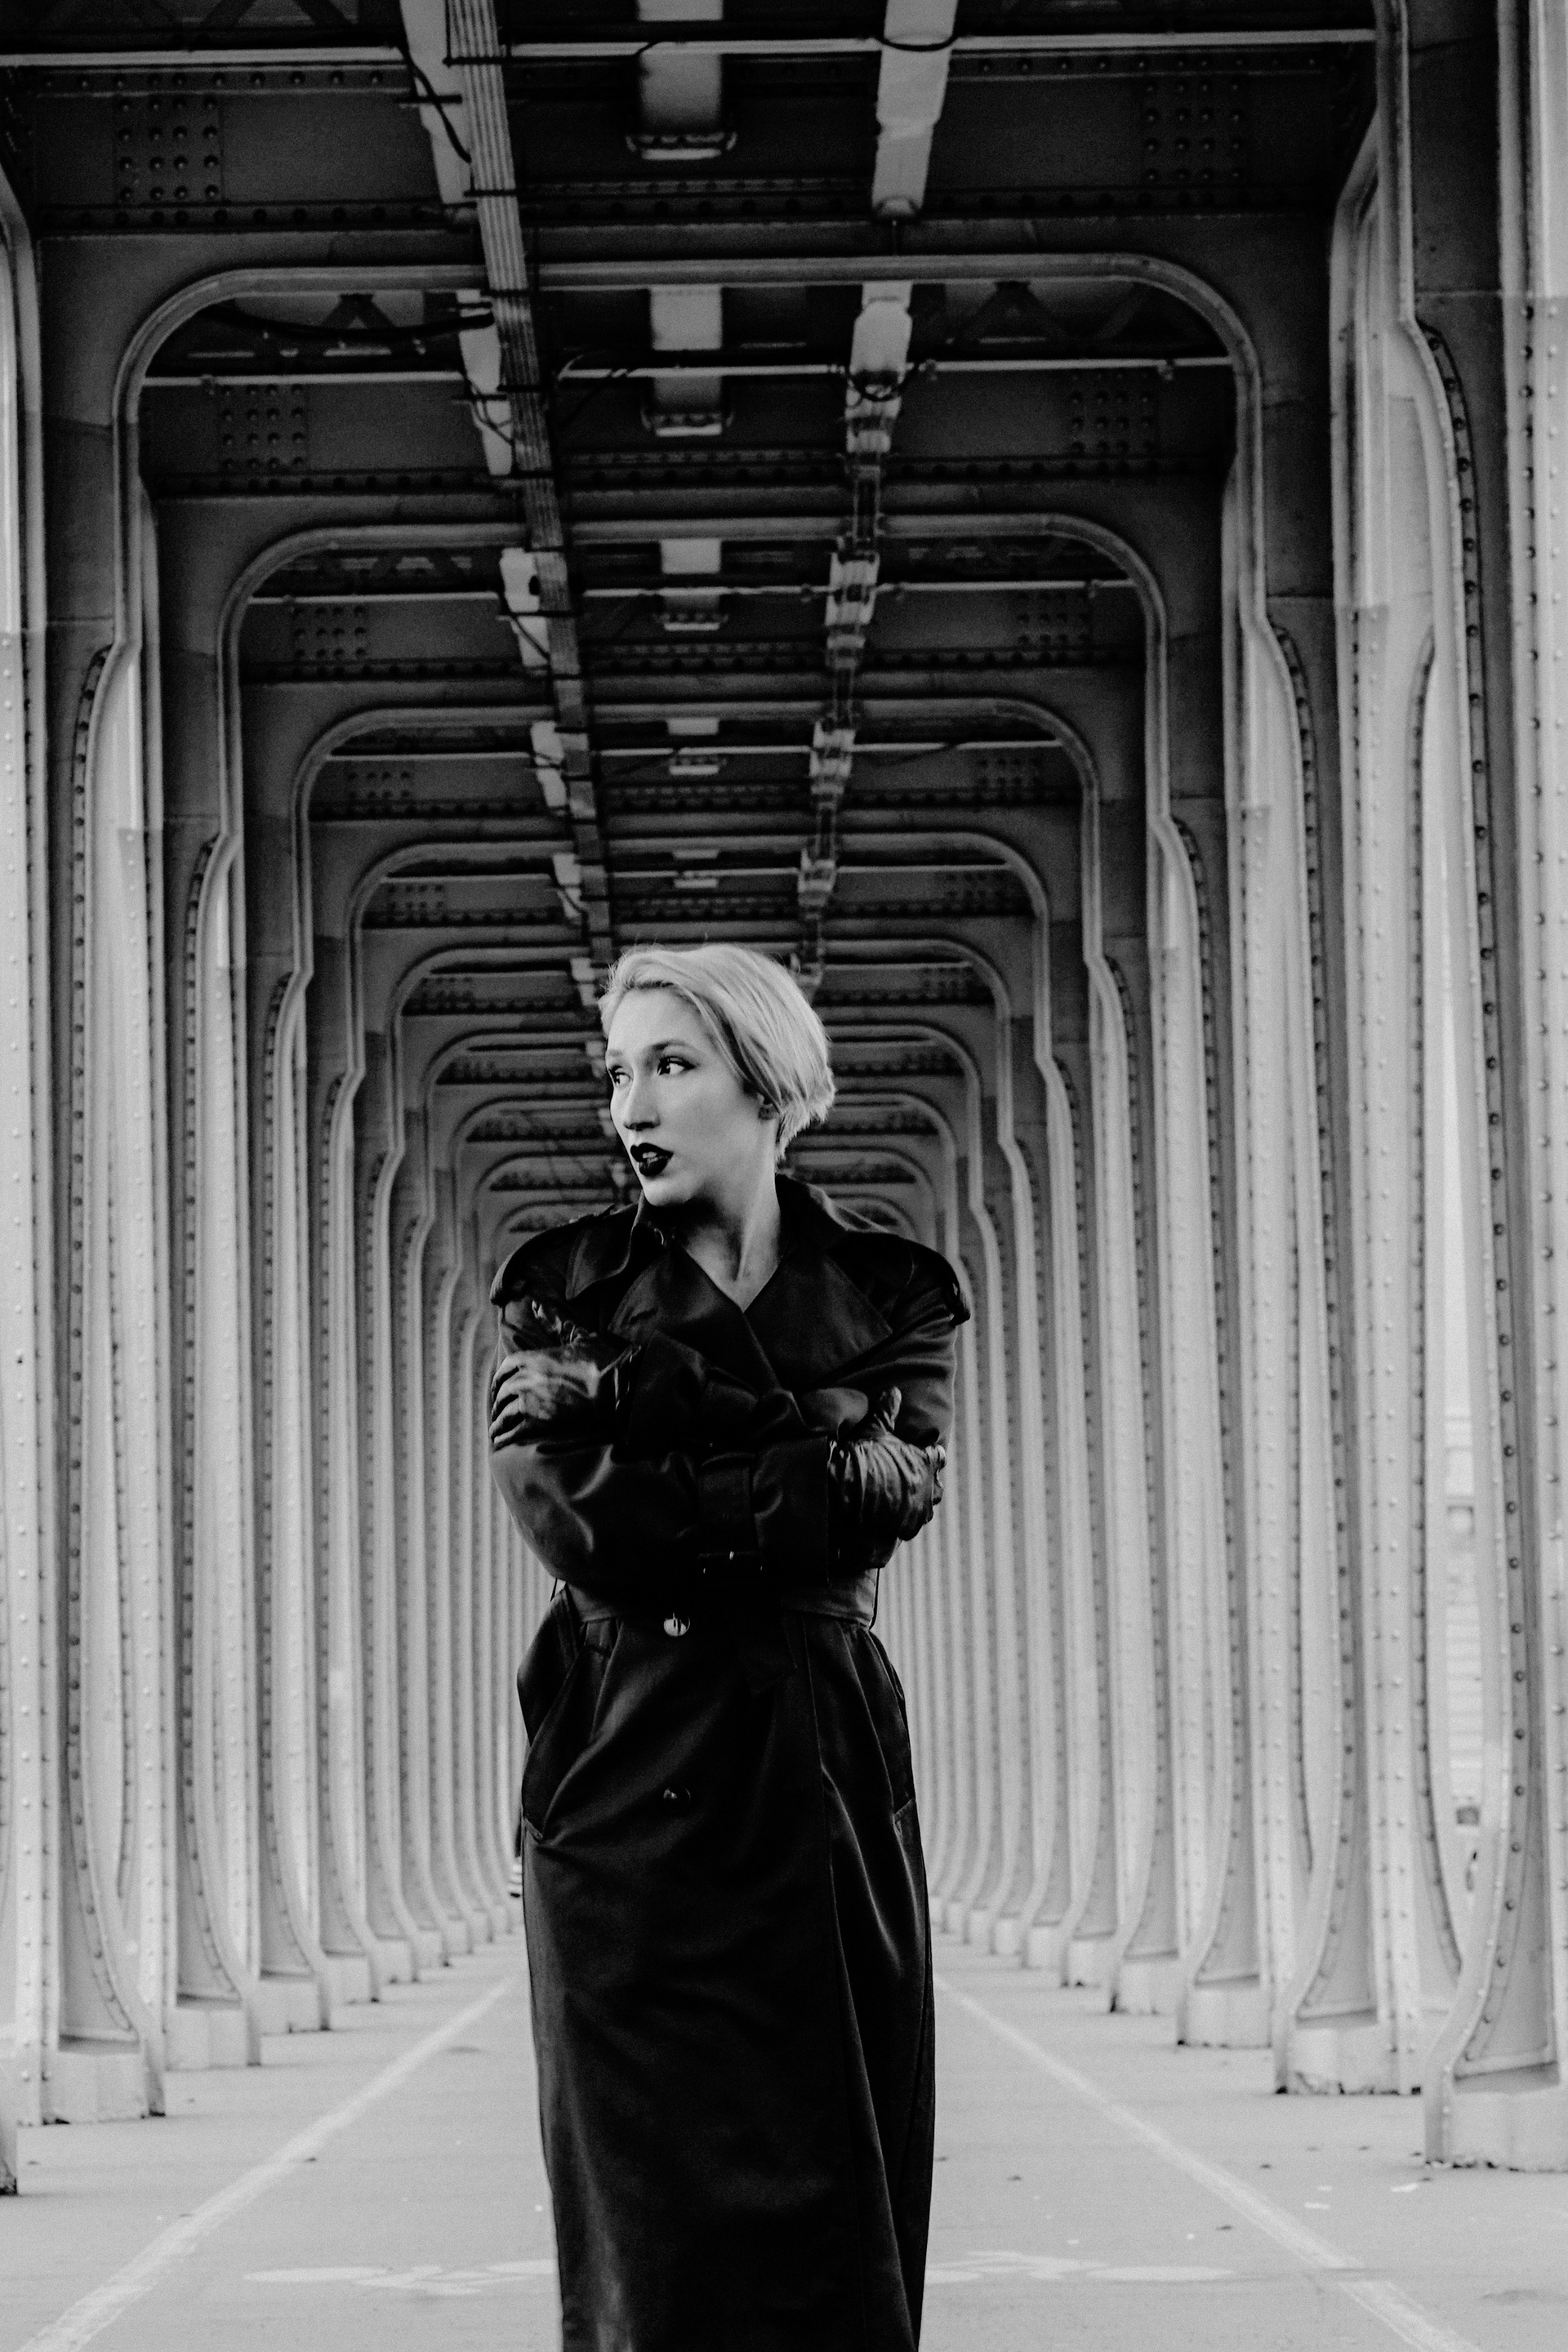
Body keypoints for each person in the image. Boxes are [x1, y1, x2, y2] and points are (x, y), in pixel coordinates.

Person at [488, 942, 968, 2352]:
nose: (628, 1105)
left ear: (766, 1085)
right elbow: (582, 1522)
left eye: (669, 1065)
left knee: (840, 2221)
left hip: (821, 1785)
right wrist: (806, 1444)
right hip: (623, 1791)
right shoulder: (561, 1283)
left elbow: (887, 1508)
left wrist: (646, 1402)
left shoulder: (894, 1289)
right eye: (617, 1072)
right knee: (649, 2253)